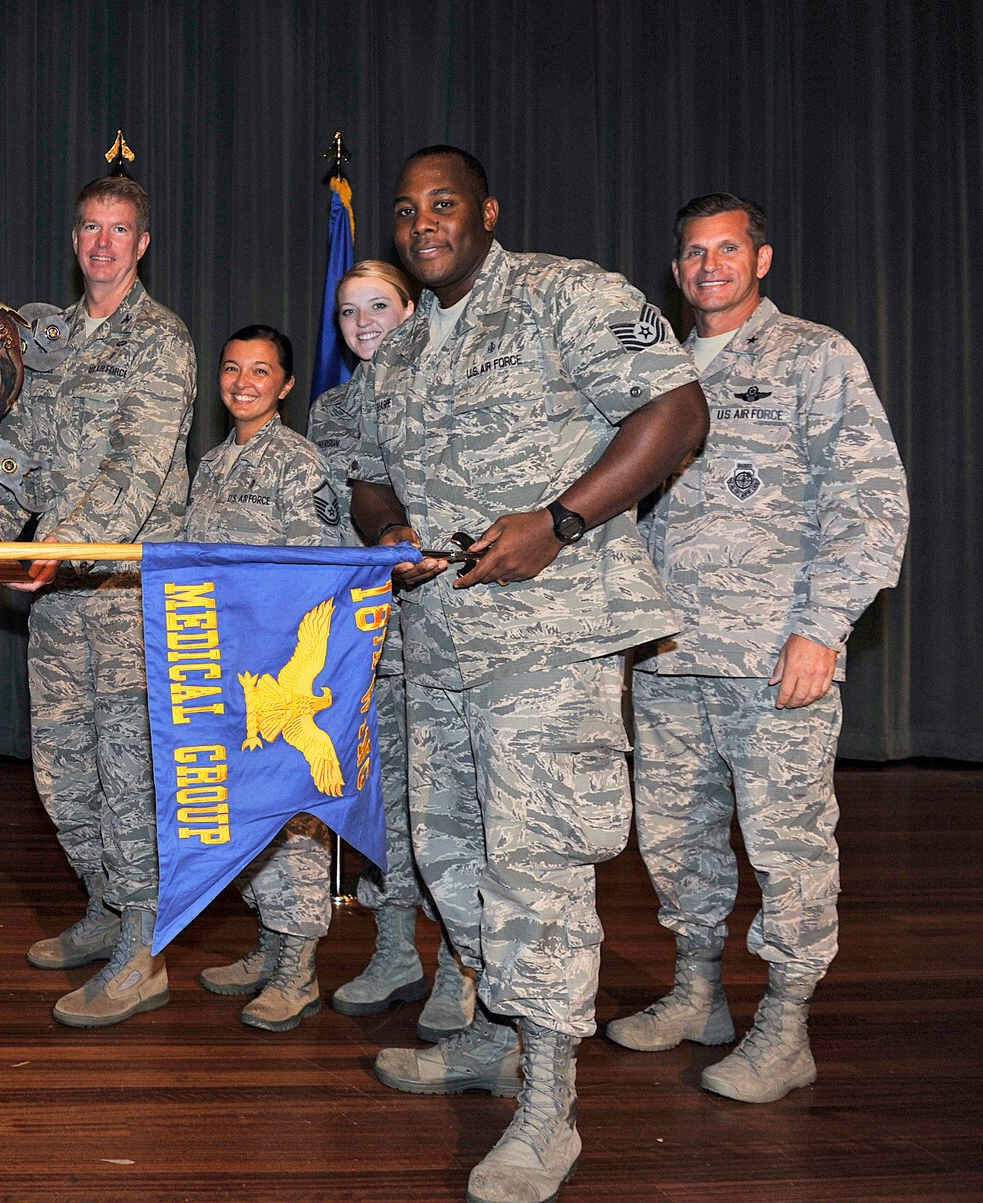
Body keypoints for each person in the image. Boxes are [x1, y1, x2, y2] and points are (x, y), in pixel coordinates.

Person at [346, 146, 708, 1203]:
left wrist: (558, 523)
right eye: (406, 210)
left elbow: (676, 414)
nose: (422, 222)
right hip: (439, 645)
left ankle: (547, 1107)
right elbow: (364, 473)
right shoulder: (400, 353)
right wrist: (393, 527)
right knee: (448, 855)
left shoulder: (569, 294)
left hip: (548, 644)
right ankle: (492, 1038)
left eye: (443, 203)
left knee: (535, 868)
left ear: (485, 212)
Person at [606, 194, 908, 1103]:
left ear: (761, 259)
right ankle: (698, 993)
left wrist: (823, 627)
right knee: (674, 838)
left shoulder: (814, 356)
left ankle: (786, 1024)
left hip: (774, 654)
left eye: (728, 249)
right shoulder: (651, 367)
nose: (710, 267)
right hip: (665, 651)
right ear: (677, 267)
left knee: (788, 845)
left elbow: (870, 499)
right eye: (695, 253)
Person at [0, 174, 197, 1027]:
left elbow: (134, 471)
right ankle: (107, 908)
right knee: (64, 775)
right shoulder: (53, 340)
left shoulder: (161, 341)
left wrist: (57, 550)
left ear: (142, 245)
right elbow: (17, 444)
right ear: (76, 242)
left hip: (129, 594)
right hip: (59, 596)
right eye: (91, 229)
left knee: (130, 776)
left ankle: (144, 950)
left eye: (121, 230)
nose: (104, 243)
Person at [301, 261, 475, 1040]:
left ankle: (460, 971)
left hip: (441, 631)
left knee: (452, 809)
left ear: (413, 310)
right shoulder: (330, 412)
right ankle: (395, 947)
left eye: (379, 306)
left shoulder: (449, 393)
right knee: (384, 803)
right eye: (347, 312)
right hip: (357, 645)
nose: (363, 323)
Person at [180, 325, 348, 1031]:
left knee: (289, 823)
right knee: (242, 819)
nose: (242, 381)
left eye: (260, 371)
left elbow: (315, 572)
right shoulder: (214, 463)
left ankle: (298, 969)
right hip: (221, 672)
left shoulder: (298, 463)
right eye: (231, 368)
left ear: (284, 385)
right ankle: (268, 943)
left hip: (279, 676)